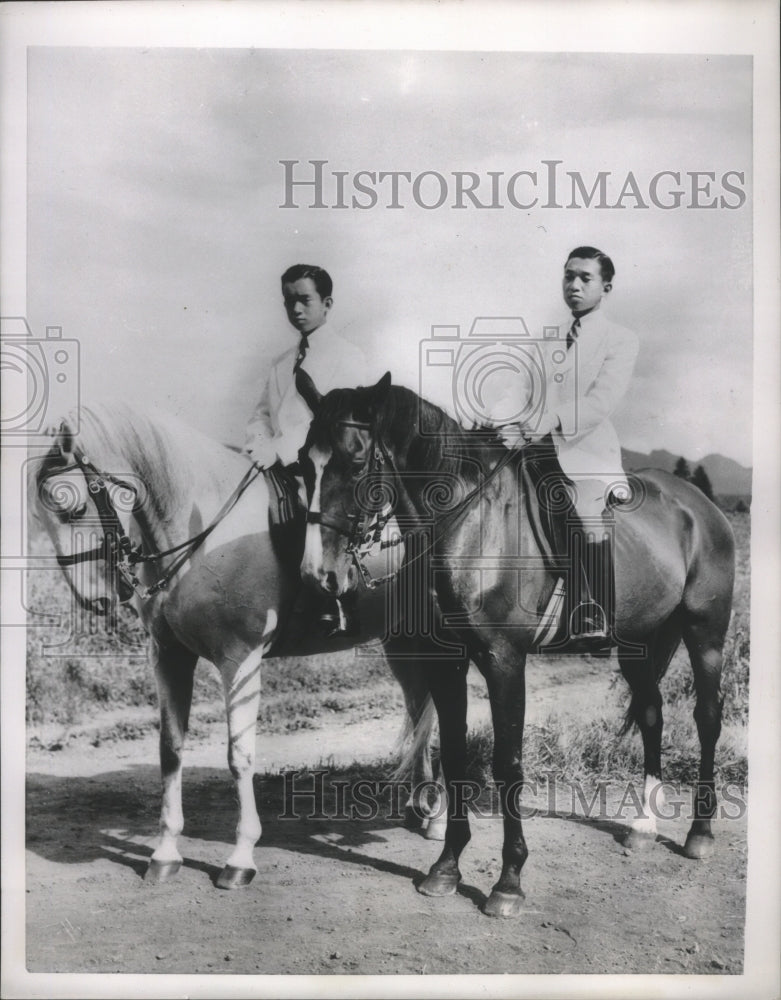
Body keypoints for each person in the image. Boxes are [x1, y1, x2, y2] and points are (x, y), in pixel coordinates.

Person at [494, 246, 639, 646]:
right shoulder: (547, 338)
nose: (573, 285)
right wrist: (499, 422)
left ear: (605, 287)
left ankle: (592, 610)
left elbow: (601, 402)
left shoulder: (621, 339)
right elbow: (521, 389)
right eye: (568, 276)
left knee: (583, 512)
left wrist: (551, 419)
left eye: (585, 278)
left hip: (586, 450)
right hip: (536, 446)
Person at [244, 263, 367, 635]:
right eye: (288, 301)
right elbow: (261, 414)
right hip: (276, 462)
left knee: (308, 513)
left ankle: (324, 603)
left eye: (304, 300)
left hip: (323, 470)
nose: (295, 309)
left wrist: (279, 451)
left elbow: (333, 426)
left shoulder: (348, 357)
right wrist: (259, 442)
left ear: (327, 304)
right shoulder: (281, 363)